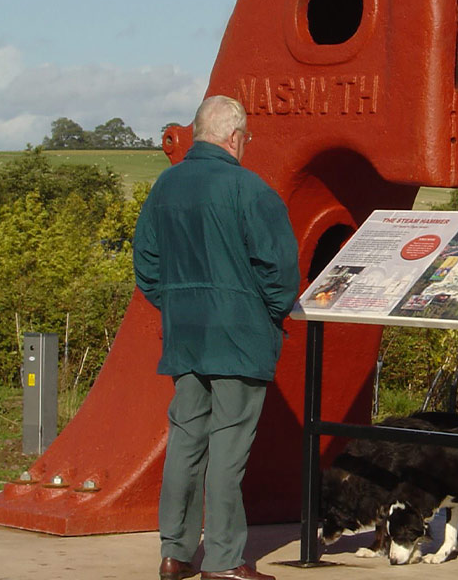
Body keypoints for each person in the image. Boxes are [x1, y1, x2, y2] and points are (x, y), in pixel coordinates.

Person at [134, 95, 299, 580]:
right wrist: (264, 316)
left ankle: (175, 554)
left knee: (185, 443)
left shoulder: (166, 186)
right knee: (228, 450)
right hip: (240, 337)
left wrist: (181, 303)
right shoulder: (251, 191)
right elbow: (280, 274)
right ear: (234, 137)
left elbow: (147, 267)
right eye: (244, 138)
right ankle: (225, 561)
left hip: (185, 336)